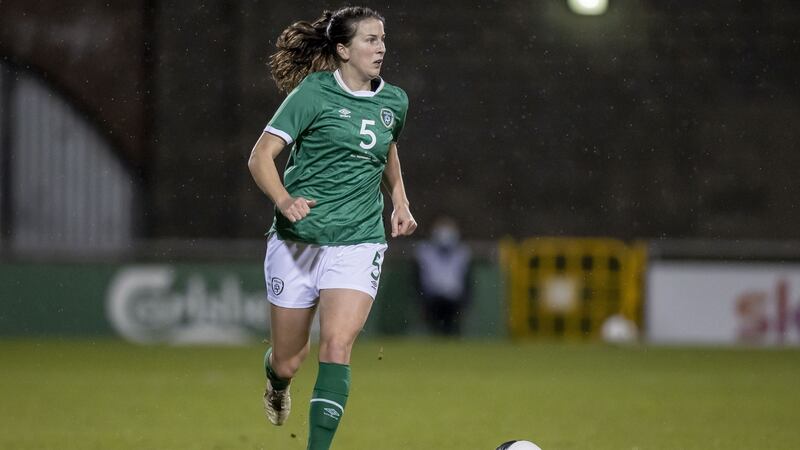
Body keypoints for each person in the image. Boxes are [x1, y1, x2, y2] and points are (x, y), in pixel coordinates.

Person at [247, 6, 416, 450]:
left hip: (359, 241)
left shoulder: (394, 100)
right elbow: (260, 157)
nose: (380, 48)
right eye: (369, 40)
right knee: (288, 359)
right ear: (342, 49)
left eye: (383, 39)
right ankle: (277, 383)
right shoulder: (313, 93)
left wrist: (399, 198)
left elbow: (385, 148)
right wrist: (284, 200)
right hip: (297, 243)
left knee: (337, 346)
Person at [414, 216, 471, 336]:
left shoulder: (462, 253)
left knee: (451, 326)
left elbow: (467, 282)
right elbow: (417, 280)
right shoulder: (425, 252)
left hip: (454, 300)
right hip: (432, 299)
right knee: (435, 324)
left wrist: (465, 300)